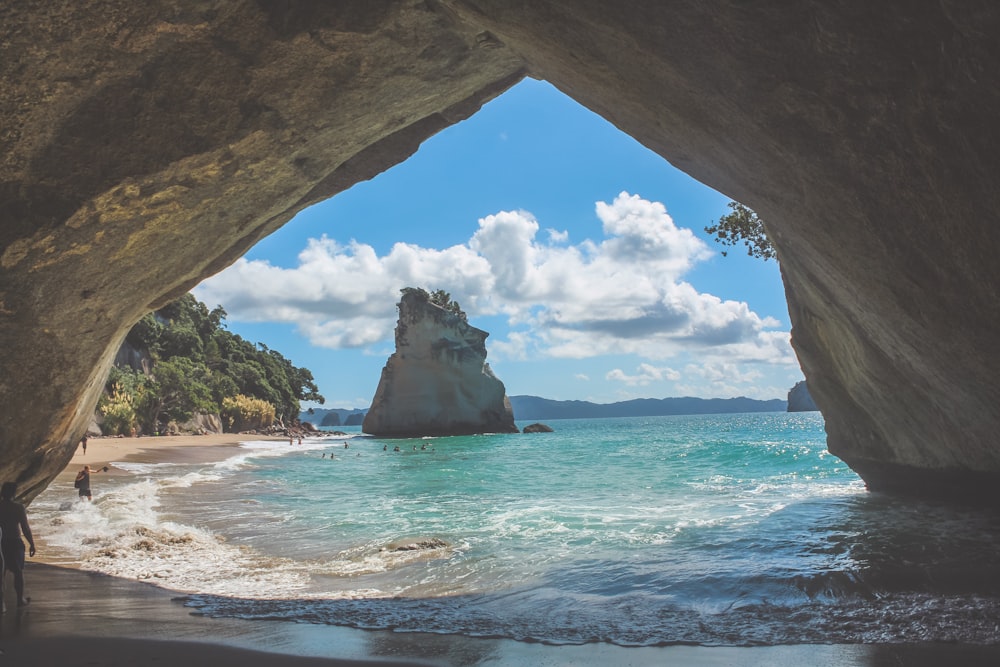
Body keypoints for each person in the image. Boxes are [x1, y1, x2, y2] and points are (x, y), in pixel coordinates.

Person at [0, 481, 36, 611]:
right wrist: (31, 544)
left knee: (1, 573)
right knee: (18, 572)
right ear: (13, 493)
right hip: (14, 543)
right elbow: (25, 528)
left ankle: (1, 602)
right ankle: (20, 599)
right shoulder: (18, 507)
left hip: (1, 542)